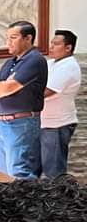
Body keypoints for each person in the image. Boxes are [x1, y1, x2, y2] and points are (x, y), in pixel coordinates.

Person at [0, 20, 47, 177]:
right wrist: (0, 87)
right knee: (2, 173)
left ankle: (26, 203)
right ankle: (6, 202)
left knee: (20, 173)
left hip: (21, 123)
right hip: (2, 123)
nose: (9, 42)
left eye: (13, 37)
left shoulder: (34, 59)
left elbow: (8, 87)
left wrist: (1, 87)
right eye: (7, 38)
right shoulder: (10, 62)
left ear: (28, 38)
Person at [41, 28, 80, 177]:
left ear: (68, 48)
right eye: (51, 43)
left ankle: (60, 200)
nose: (51, 46)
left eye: (56, 44)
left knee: (54, 172)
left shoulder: (69, 66)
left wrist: (22, 97)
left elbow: (47, 91)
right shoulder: (51, 63)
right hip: (44, 123)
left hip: (56, 125)